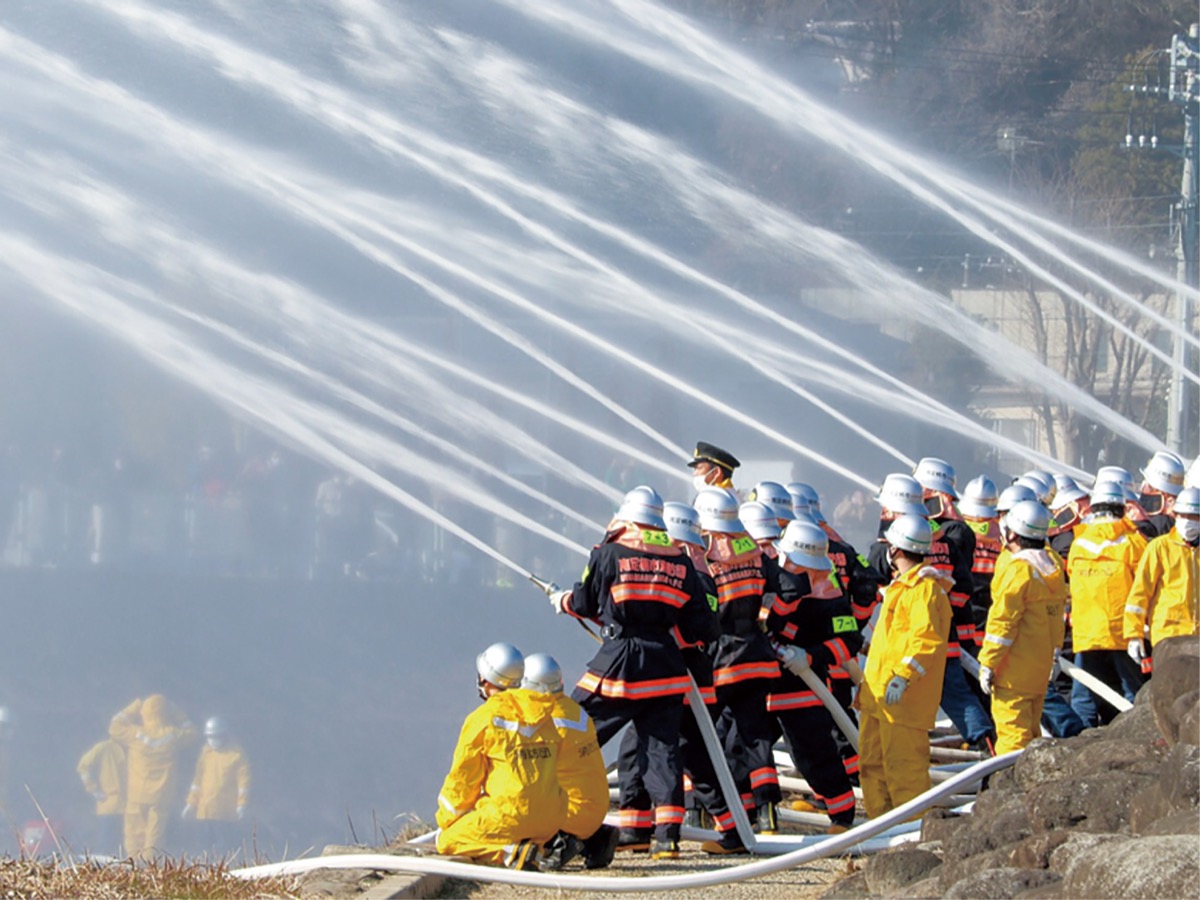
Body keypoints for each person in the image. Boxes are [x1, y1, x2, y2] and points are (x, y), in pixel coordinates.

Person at [543, 486, 717, 860]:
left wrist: (562, 601)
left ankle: (550, 809)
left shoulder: (608, 553)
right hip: (667, 668)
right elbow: (702, 624)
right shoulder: (681, 561)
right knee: (661, 751)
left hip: (621, 660)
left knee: (573, 727)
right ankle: (666, 838)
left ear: (626, 517)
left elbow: (587, 601)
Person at [434, 643, 564, 871]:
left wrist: (448, 820)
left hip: (512, 816)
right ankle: (532, 847)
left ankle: (512, 853)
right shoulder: (545, 714)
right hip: (551, 820)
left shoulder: (484, 718)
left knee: (446, 840)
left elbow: (463, 780)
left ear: (485, 679)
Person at [857, 515, 951, 819]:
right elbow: (897, 641)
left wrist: (903, 678)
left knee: (905, 771)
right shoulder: (902, 587)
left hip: (902, 702)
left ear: (896, 550)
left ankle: (910, 834)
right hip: (880, 697)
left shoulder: (924, 591)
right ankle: (880, 828)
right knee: (872, 764)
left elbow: (925, 642)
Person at [977, 501, 1067, 754]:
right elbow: (1057, 616)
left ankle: (1013, 788)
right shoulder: (1054, 565)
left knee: (1013, 738)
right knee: (1032, 733)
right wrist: (1055, 655)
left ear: (1013, 534)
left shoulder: (1019, 571)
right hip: (1039, 670)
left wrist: (988, 663)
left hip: (1013, 673)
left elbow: (1002, 624)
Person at [519, 654, 615, 871]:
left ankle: (560, 843)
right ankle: (595, 839)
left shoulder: (545, 722)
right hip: (596, 810)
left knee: (519, 814)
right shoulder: (574, 711)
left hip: (571, 815)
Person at [1068, 480, 1149, 725]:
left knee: (1083, 695)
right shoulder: (1134, 543)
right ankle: (1137, 739)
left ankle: (1077, 745)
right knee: (1133, 694)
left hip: (1086, 633)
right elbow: (1145, 586)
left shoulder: (1078, 544)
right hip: (1122, 632)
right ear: (1122, 508)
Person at [108, 694, 198, 858]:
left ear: (144, 713)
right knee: (155, 833)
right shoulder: (173, 735)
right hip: (162, 794)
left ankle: (134, 863)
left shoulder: (135, 734)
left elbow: (115, 726)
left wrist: (135, 705)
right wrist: (176, 711)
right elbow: (192, 732)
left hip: (137, 792)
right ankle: (150, 865)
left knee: (134, 831)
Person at [1123, 486, 1200, 667]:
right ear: (1175, 516)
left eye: (1194, 517)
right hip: (1168, 638)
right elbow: (1140, 594)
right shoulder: (1160, 548)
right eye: (1183, 516)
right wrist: (1134, 634)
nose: (1188, 522)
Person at [181, 717, 251, 857]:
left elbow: (244, 783)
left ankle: (223, 873)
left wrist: (241, 804)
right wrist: (191, 804)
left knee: (223, 849)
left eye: (216, 736)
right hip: (204, 811)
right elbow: (197, 781)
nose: (213, 740)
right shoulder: (205, 753)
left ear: (224, 735)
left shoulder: (236, 755)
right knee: (202, 848)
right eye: (210, 737)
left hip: (224, 813)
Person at [77, 734, 127, 855]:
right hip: (109, 806)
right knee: (106, 848)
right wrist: (93, 789)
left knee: (126, 849)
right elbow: (83, 766)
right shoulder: (104, 748)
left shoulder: (136, 748)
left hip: (131, 808)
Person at [1138, 450, 1188, 538]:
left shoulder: (1161, 524)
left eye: (1149, 486)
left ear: (1169, 500)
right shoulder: (1183, 522)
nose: (1142, 489)